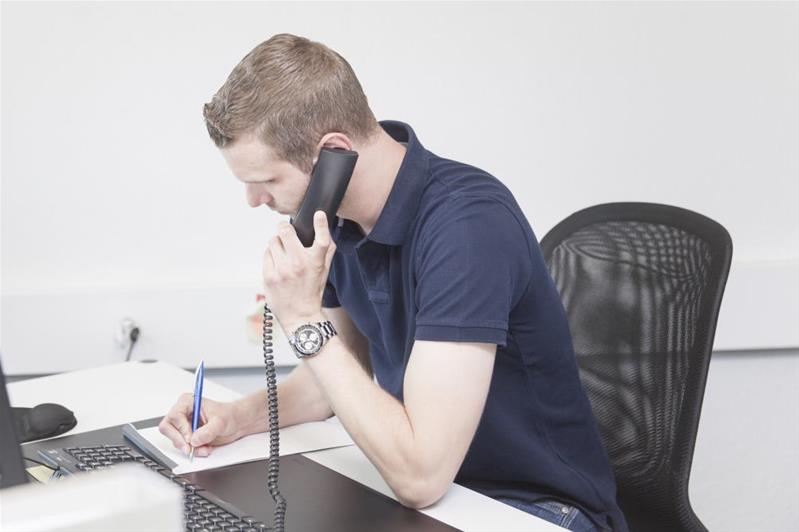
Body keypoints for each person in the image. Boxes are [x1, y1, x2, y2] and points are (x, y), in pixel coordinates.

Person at [159, 33, 627, 532]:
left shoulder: (468, 229)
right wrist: (237, 418)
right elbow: (329, 385)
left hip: (538, 509)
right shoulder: (337, 221)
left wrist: (301, 318)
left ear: (334, 154)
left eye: (266, 181)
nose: (253, 201)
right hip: (444, 498)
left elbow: (421, 476)